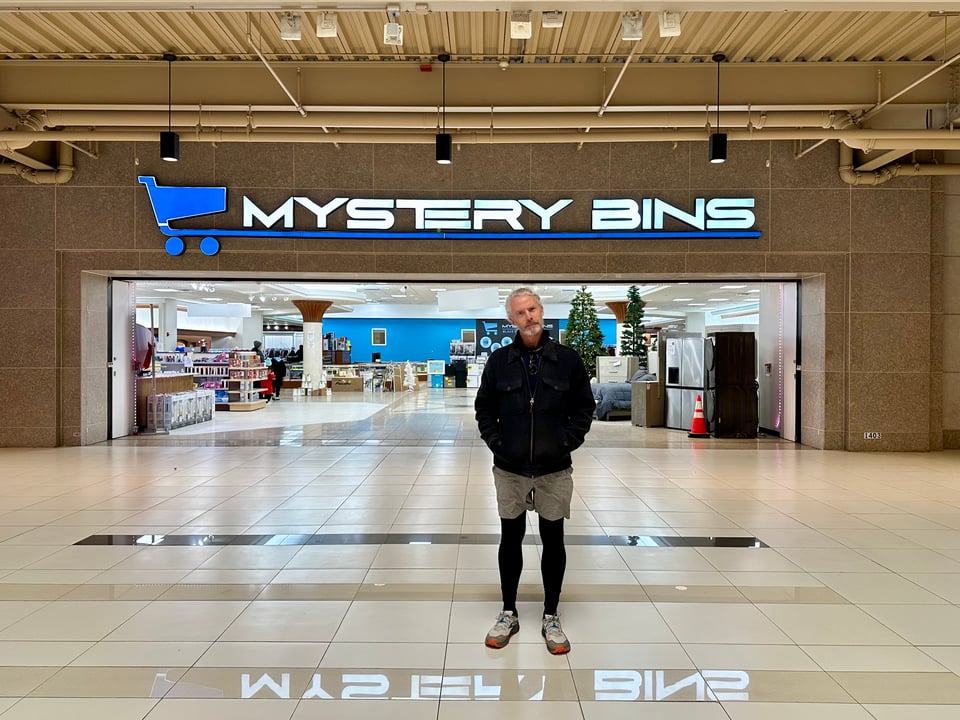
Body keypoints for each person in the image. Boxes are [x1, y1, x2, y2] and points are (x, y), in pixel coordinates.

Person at [474, 287, 595, 655]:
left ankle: (551, 614)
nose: (529, 317)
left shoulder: (568, 360)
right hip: (509, 469)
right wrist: (498, 444)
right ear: (512, 320)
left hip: (554, 469)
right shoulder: (499, 362)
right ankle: (508, 611)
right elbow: (483, 410)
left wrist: (565, 442)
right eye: (520, 313)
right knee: (510, 539)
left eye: (533, 309)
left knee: (553, 539)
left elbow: (583, 408)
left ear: (541, 311)